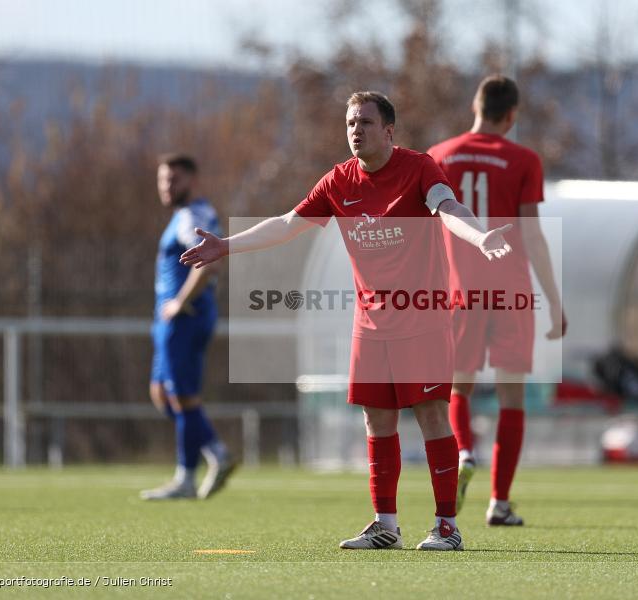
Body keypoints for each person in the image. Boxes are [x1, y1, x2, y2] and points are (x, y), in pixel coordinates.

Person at [181, 92, 513, 550]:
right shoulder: (339, 180)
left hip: (423, 318)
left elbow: (449, 208)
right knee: (377, 420)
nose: (356, 130)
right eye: (351, 123)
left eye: (366, 122)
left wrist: (479, 238)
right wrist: (226, 245)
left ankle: (447, 527)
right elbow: (286, 223)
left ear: (389, 131)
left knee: (432, 415)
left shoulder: (419, 168)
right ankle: (386, 526)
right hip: (372, 324)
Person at [427, 75, 566, 526]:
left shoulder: (439, 156)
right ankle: (499, 502)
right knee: (511, 397)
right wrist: (553, 299)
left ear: (475, 105)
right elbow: (532, 233)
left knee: (457, 387)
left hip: (460, 289)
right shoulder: (523, 159)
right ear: (512, 115)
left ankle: (465, 451)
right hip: (510, 290)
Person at [140, 153, 236, 501]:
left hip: (185, 316)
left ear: (192, 181)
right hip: (172, 319)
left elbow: (208, 265)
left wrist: (181, 301)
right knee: (163, 394)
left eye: (174, 179)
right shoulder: (186, 214)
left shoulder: (192, 216)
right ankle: (216, 451)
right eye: (163, 179)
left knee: (181, 396)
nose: (167, 186)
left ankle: (185, 477)